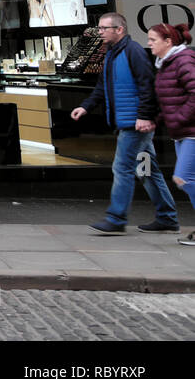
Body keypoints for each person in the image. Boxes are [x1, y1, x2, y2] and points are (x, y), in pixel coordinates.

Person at [71, 12, 178, 234]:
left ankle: (117, 218)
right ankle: (167, 217)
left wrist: (145, 116)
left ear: (119, 29)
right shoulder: (112, 53)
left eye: (103, 28)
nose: (99, 33)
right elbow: (103, 87)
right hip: (132, 123)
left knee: (122, 168)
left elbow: (148, 86)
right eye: (98, 28)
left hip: (135, 125)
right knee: (147, 170)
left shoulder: (133, 52)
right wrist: (86, 106)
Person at [149, 22, 195, 244]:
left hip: (191, 131)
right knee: (188, 178)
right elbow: (168, 99)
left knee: (183, 178)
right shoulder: (166, 63)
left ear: (168, 42)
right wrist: (156, 120)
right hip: (182, 132)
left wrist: (177, 119)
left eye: (153, 40)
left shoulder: (183, 60)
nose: (149, 44)